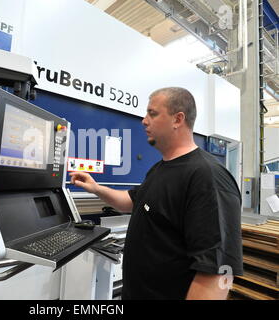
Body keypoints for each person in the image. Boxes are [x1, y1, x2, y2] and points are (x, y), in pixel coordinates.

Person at [70, 87, 243, 300]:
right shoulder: (159, 169)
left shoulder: (208, 177)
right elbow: (131, 202)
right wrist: (96, 188)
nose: (144, 120)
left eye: (152, 113)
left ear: (178, 119)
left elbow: (217, 270)